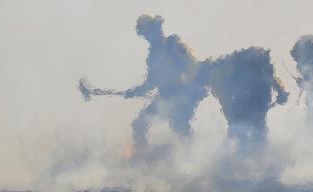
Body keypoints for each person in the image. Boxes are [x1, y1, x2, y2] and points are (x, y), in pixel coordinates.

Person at [123, 15, 209, 155]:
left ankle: (195, 156)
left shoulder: (173, 46)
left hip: (182, 94)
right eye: (147, 33)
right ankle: (142, 156)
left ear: (158, 28)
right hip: (165, 96)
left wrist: (189, 91)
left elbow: (192, 67)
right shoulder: (152, 56)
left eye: (152, 31)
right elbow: (151, 82)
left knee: (180, 127)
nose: (151, 35)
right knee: (139, 124)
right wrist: (136, 91)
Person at [206, 47, 288, 151]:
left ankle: (255, 154)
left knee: (254, 131)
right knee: (243, 131)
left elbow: (271, 78)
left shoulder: (259, 68)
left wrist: (280, 92)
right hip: (244, 102)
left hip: (254, 100)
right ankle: (245, 155)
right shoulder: (231, 70)